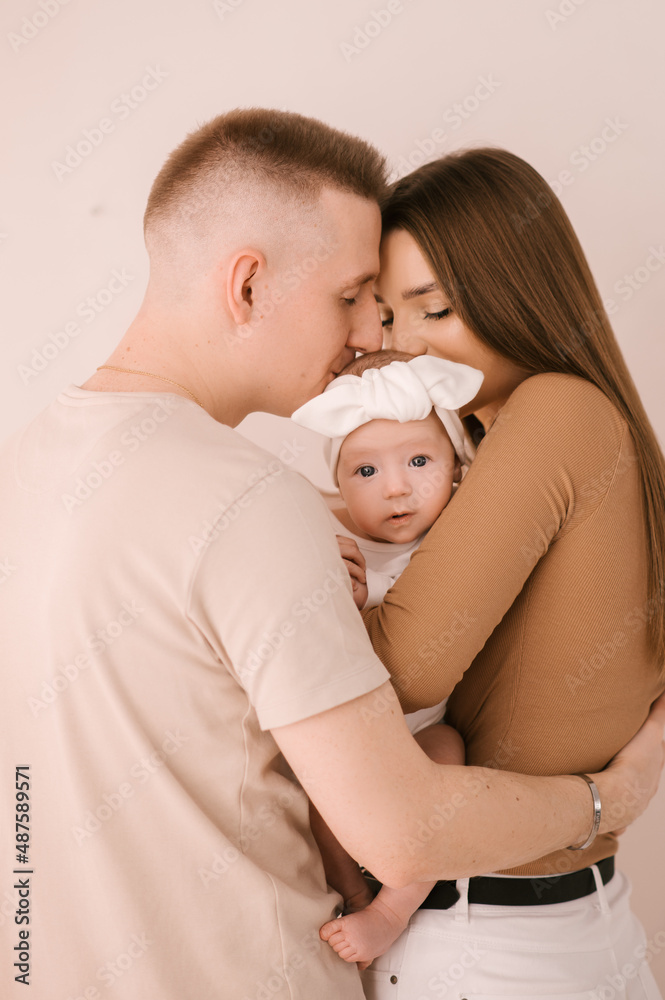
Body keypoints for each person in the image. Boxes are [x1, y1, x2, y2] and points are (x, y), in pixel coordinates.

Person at [1, 110, 663, 1000]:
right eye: (358, 299)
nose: (373, 342)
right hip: (465, 941)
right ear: (246, 285)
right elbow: (400, 815)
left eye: (404, 307)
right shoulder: (248, 503)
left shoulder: (30, 465)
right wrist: (606, 801)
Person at [353, 146, 665, 998]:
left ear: (514, 291)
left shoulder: (554, 411)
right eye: (386, 318)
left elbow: (401, 670)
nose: (404, 348)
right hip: (582, 927)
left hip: (490, 947)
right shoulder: (579, 429)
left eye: (435, 310)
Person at [291, 348, 482, 967]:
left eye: (419, 461)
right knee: (313, 784)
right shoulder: (338, 548)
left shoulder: (462, 542)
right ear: (340, 482)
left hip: (423, 730)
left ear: (457, 467)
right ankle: (350, 891)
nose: (395, 487)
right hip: (350, 736)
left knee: (448, 756)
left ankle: (393, 908)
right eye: (365, 472)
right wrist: (336, 599)